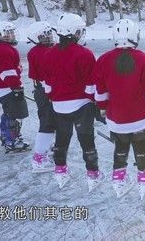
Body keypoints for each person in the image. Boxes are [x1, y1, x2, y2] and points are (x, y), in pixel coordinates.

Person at [94, 19, 145, 199]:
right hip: (141, 117)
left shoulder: (103, 60)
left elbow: (100, 92)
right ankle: (144, 182)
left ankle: (118, 181)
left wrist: (101, 109)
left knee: (120, 148)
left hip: (117, 119)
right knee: (142, 149)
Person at [42, 13, 103, 190]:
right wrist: (97, 103)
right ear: (73, 32)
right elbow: (91, 84)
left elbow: (48, 84)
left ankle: (60, 170)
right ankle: (93, 174)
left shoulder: (49, 54)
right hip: (81, 106)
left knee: (62, 139)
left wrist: (52, 97)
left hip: (58, 106)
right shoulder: (84, 54)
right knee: (86, 140)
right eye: (79, 31)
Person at [0, 21, 30, 153]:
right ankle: (10, 139)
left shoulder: (3, 48)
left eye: (11, 32)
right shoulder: (3, 50)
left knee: (10, 113)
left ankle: (9, 136)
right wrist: (16, 88)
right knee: (13, 114)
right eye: (7, 33)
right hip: (6, 89)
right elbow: (7, 72)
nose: (11, 35)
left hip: (4, 88)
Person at [27, 21, 56, 173]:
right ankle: (39, 159)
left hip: (43, 90)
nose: (49, 38)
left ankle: (48, 147)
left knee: (50, 121)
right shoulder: (42, 52)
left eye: (49, 34)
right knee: (47, 123)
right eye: (44, 36)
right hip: (45, 91)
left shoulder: (39, 51)